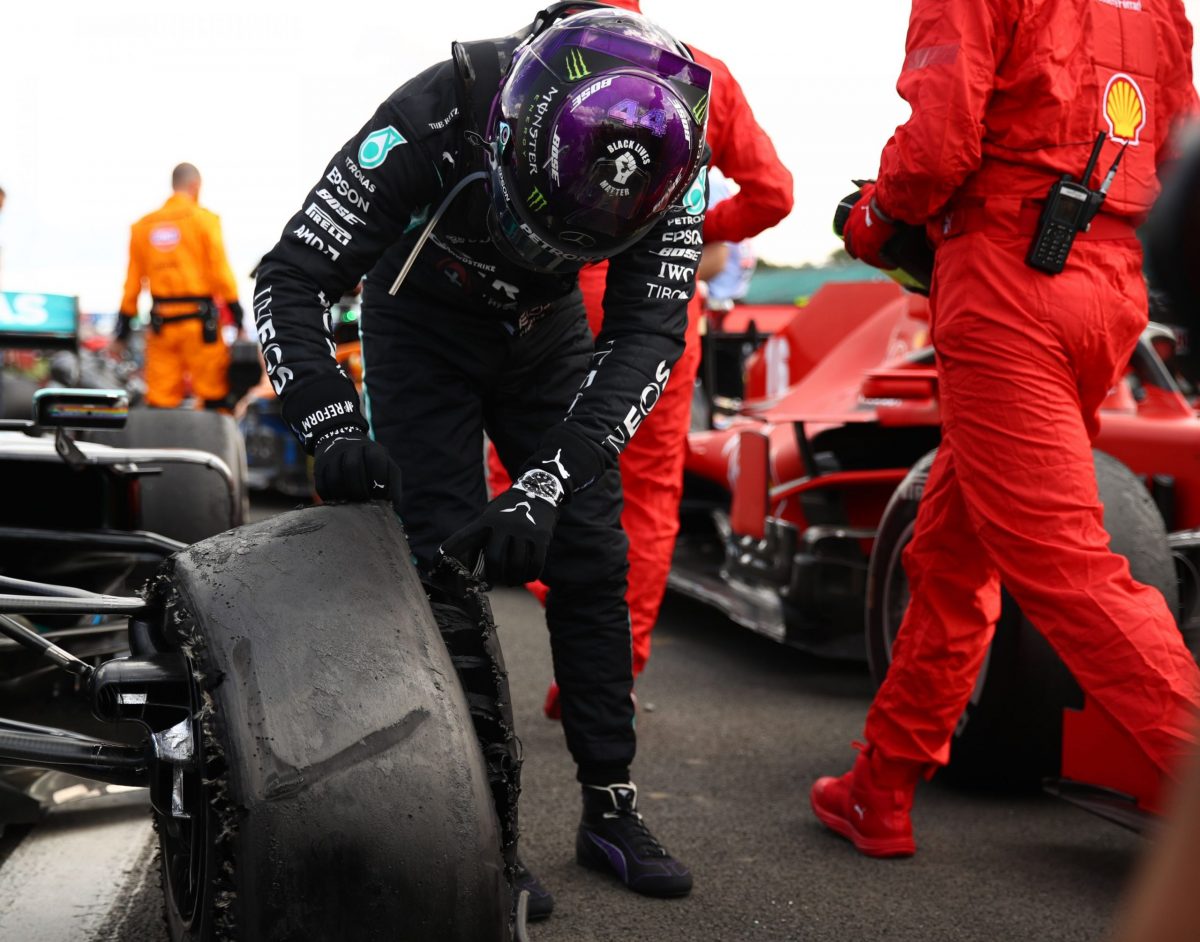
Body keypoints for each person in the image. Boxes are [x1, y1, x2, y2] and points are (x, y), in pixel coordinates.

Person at [252, 5, 711, 915]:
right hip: (422, 322)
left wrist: (546, 484)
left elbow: (649, 336)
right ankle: (480, 823)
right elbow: (288, 275)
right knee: (444, 560)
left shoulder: (673, 160)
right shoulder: (432, 112)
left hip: (547, 332)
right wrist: (331, 423)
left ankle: (611, 803)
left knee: (588, 549)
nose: (545, 246)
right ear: (507, 130)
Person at [813, 0, 1200, 858]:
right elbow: (1179, 142)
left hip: (1006, 279)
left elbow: (940, 142)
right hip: (1110, 286)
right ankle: (881, 784)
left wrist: (875, 219)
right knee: (953, 551)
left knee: (1065, 564)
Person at [523, 0, 791, 719]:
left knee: (521, 468)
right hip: (666, 307)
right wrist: (692, 225)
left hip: (559, 300)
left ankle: (563, 607)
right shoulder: (705, 73)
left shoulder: (543, 54)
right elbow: (775, 194)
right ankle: (606, 673)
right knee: (646, 497)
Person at [116, 163, 243, 409]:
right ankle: (213, 446)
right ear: (195, 185)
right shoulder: (204, 220)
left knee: (160, 399)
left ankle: (164, 444)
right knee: (214, 396)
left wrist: (122, 327)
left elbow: (132, 284)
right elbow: (220, 270)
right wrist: (236, 312)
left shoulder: (143, 226)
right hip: (200, 326)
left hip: (162, 326)